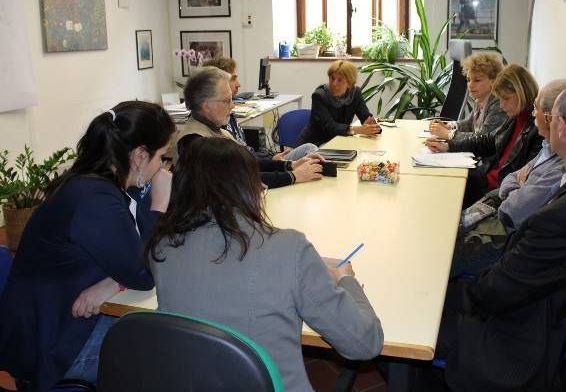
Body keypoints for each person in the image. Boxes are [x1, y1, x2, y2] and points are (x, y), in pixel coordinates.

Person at [428, 82, 566, 392]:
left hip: (520, 337)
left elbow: (493, 292)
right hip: (548, 313)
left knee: (417, 319)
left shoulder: (559, 220)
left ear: (561, 127)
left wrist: (453, 291)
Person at [146, 136, 384, 391]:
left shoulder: (161, 247)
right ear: (245, 187)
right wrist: (346, 279)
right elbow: (364, 343)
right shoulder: (289, 248)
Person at [0, 101, 175, 391]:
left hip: (60, 315)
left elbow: (135, 244)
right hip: (51, 343)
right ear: (140, 155)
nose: (163, 166)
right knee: (166, 353)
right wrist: (160, 205)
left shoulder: (96, 180)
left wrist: (111, 283)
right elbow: (145, 272)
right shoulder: (94, 199)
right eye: (161, 155)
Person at [450, 79, 566, 278]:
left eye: (537, 108)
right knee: (447, 227)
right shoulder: (547, 148)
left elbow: (512, 210)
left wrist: (513, 187)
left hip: (502, 234)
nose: (534, 113)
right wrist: (517, 185)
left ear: (552, 118)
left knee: (442, 252)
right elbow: (511, 178)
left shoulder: (559, 164)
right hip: (497, 211)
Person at [175, 66, 324, 187]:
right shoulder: (195, 142)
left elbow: (247, 163)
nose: (232, 106)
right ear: (206, 106)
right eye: (227, 101)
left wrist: (291, 165)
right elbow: (240, 179)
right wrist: (293, 176)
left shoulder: (215, 130)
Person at [426, 64, 543, 207]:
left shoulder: (537, 130)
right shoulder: (515, 116)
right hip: (488, 176)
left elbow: (521, 179)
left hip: (496, 189)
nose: (501, 105)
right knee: (442, 181)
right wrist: (448, 145)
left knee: (447, 197)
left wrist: (450, 136)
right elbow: (488, 141)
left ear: (522, 92)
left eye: (505, 98)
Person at [203, 57, 318, 161]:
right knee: (310, 152)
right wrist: (274, 164)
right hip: (257, 171)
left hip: (262, 163)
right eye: (233, 79)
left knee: (310, 149)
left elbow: (247, 153)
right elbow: (243, 163)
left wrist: (271, 158)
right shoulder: (217, 127)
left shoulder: (229, 116)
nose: (239, 84)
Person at [296, 60, 381, 146]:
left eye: (340, 80)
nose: (334, 83)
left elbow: (365, 116)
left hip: (339, 141)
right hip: (314, 145)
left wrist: (372, 126)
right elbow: (329, 127)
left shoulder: (355, 93)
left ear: (349, 83)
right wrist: (358, 130)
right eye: (332, 78)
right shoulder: (319, 96)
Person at [429, 52, 507, 145]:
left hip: (488, 158)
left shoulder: (498, 104)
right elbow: (468, 124)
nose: (470, 85)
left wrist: (449, 134)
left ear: (494, 81)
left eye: (477, 80)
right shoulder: (480, 99)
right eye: (469, 80)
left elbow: (482, 139)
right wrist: (448, 126)